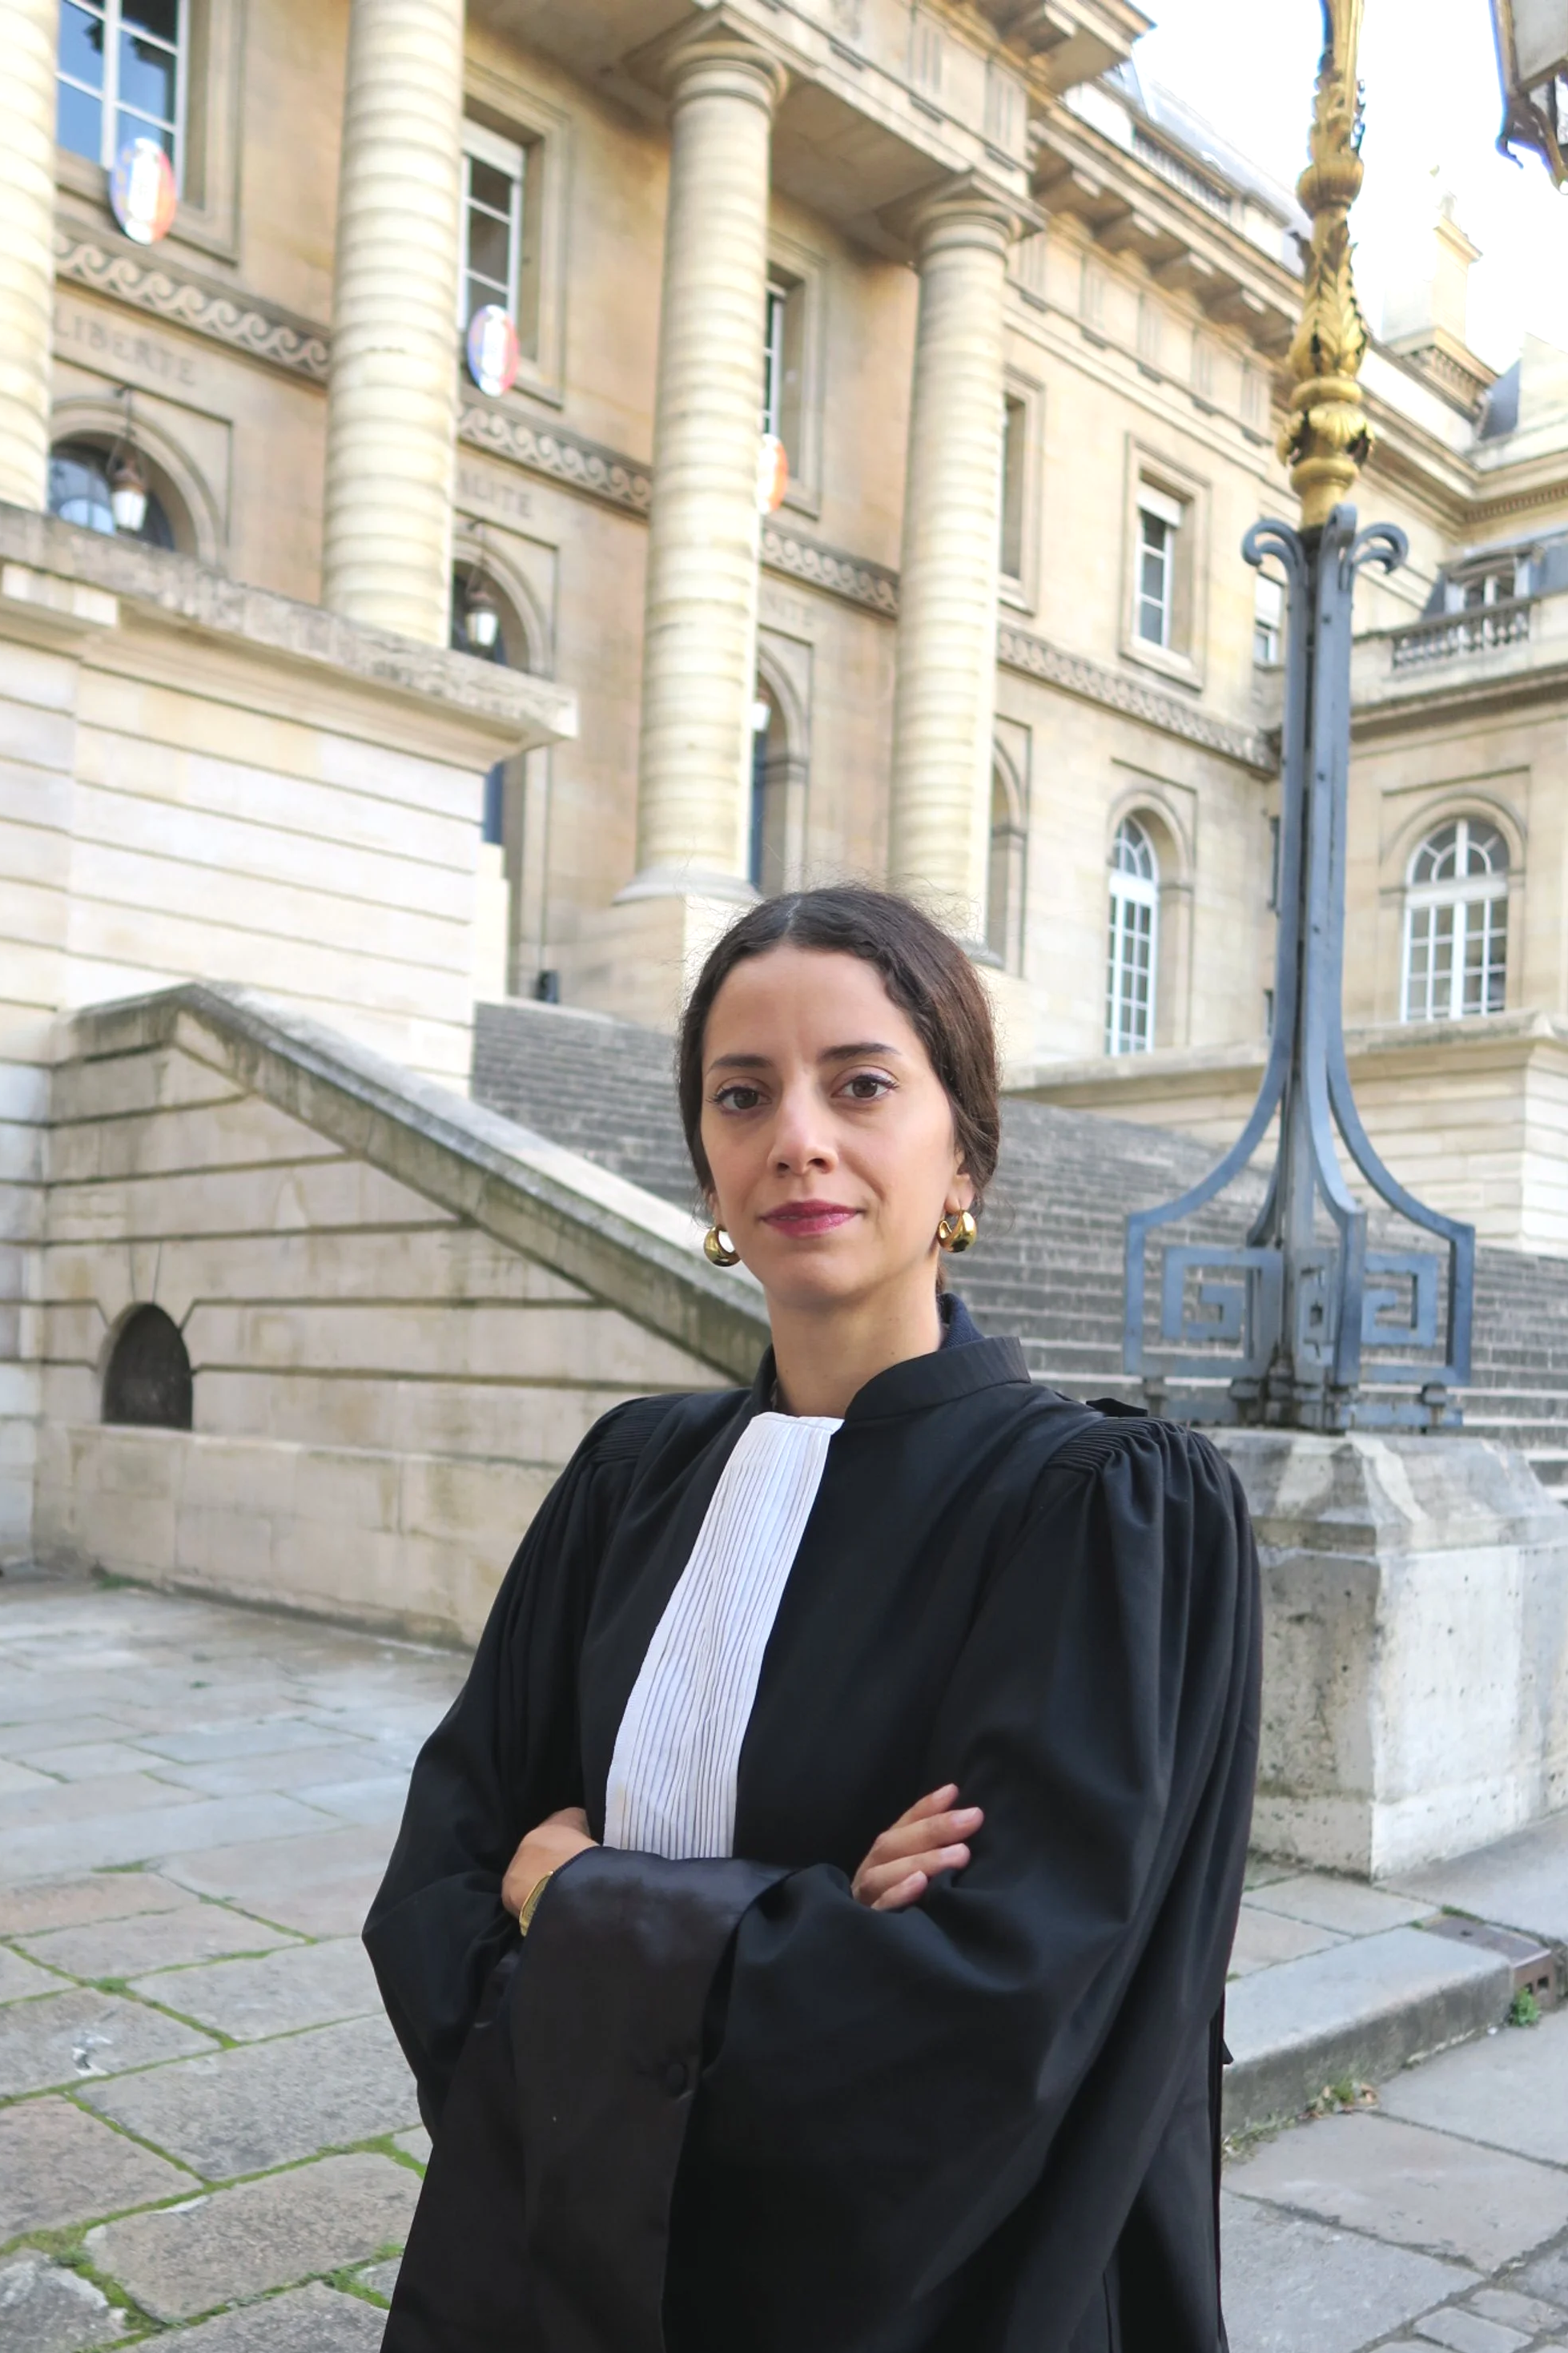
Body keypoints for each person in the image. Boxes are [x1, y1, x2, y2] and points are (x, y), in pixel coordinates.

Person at [364, 884, 1260, 2353]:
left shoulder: (1097, 1509)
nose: (796, 1137)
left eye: (859, 1083)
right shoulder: (628, 1478)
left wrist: (580, 1902)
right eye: (741, 1093)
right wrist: (808, 1917)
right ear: (708, 1161)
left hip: (927, 2298)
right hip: (565, 2257)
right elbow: (440, 1886)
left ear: (961, 1140)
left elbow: (996, 2006)